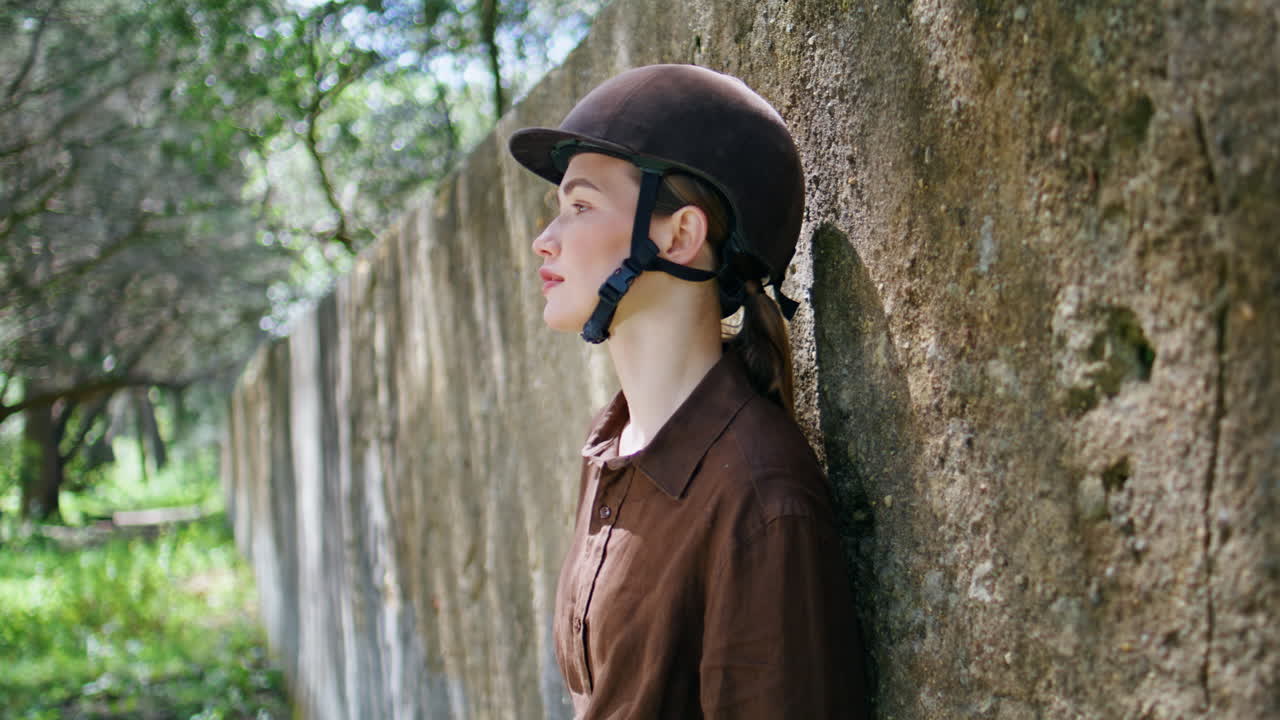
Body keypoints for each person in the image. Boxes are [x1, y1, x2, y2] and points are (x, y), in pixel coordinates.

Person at [508, 64, 867, 719]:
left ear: (680, 235)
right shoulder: (608, 446)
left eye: (580, 206)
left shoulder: (761, 499)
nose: (544, 240)